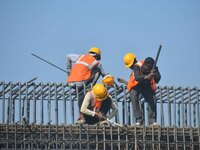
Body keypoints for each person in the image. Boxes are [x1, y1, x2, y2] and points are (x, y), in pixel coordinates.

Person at [117, 53, 161, 126]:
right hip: (136, 86)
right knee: (133, 96)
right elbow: (137, 78)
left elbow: (157, 79)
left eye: (131, 65)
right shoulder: (137, 67)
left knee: (152, 99)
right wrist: (147, 76)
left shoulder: (152, 66)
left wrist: (154, 73)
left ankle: (152, 121)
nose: (131, 67)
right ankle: (139, 120)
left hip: (146, 85)